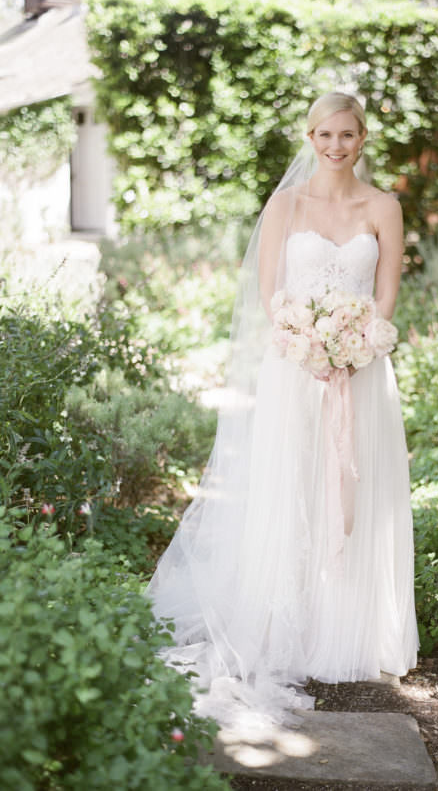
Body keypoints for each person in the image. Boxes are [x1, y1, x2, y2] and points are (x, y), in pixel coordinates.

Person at [147, 91, 419, 729]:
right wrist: (308, 343)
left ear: (363, 138)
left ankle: (347, 632)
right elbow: (269, 291)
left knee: (356, 489)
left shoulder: (384, 206)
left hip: (361, 374)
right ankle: (282, 620)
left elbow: (386, 296)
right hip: (294, 369)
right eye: (323, 134)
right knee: (290, 486)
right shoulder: (286, 204)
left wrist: (353, 348)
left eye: (346, 135)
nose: (334, 146)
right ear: (310, 137)